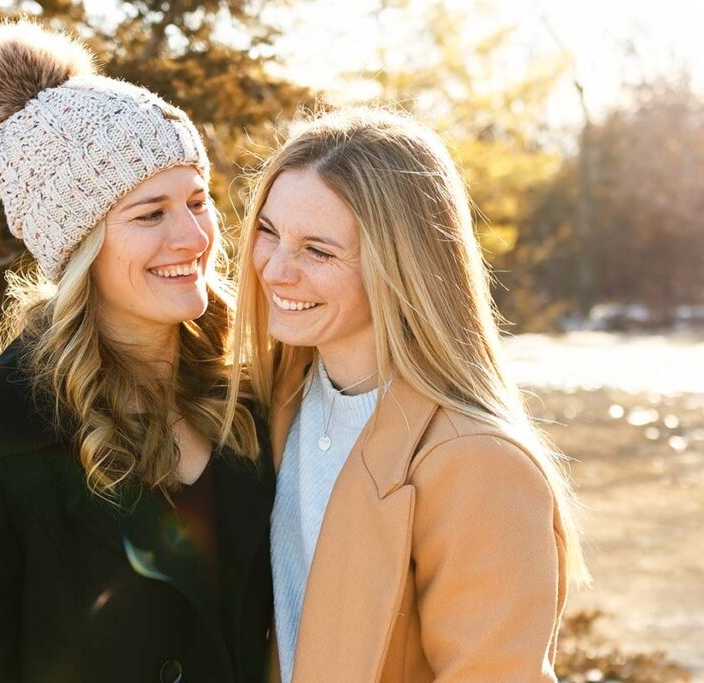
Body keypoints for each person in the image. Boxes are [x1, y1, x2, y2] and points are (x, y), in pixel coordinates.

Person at [0, 22, 273, 683]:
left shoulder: (251, 402)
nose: (194, 236)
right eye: (150, 214)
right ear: (80, 248)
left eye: (197, 200)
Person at [224, 107, 590, 682]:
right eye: (268, 233)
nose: (274, 270)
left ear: (402, 268)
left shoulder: (477, 463)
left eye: (318, 251)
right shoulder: (272, 402)